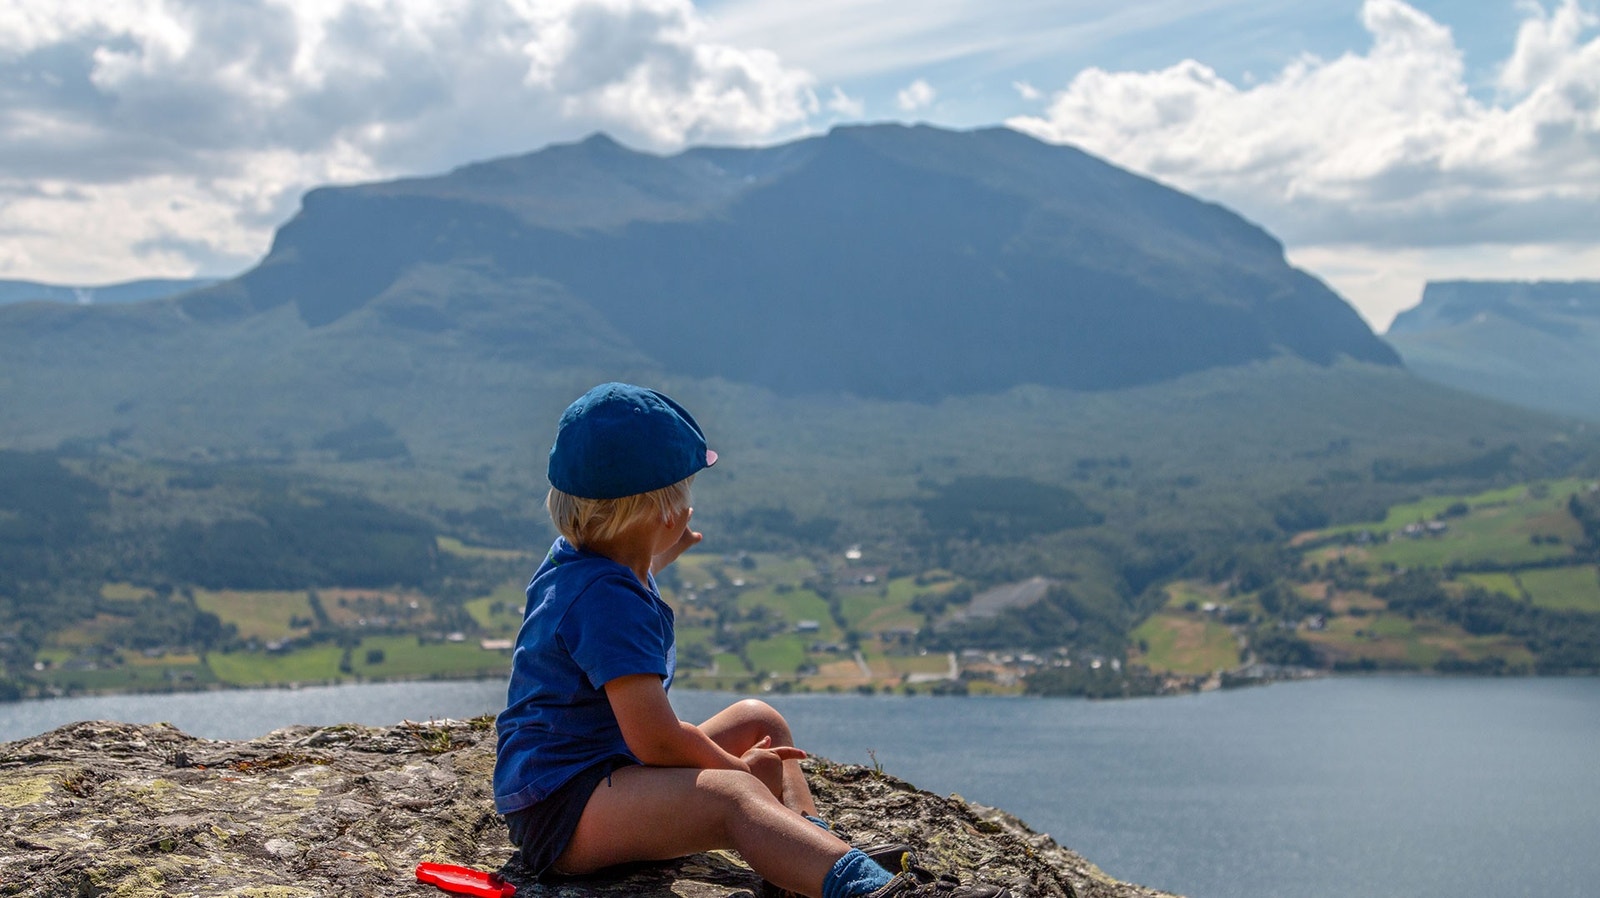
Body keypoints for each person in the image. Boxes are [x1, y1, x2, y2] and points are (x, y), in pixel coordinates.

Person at [493, 382, 1009, 898]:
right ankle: (866, 890)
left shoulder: (586, 561)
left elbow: (624, 581)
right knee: (733, 795)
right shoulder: (607, 601)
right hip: (563, 812)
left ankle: (806, 847)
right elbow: (655, 738)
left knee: (760, 720)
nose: (688, 509)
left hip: (596, 775)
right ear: (662, 512)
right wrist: (740, 770)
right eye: (683, 497)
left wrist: (659, 552)